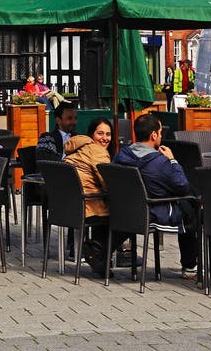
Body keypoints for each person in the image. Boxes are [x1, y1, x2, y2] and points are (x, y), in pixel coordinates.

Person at [114, 112, 198, 278]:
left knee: (192, 198)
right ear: (153, 135)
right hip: (155, 211)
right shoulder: (160, 162)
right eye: (160, 132)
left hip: (127, 211)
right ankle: (189, 266)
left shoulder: (121, 155)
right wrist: (173, 160)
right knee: (190, 207)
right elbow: (182, 185)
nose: (161, 136)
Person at [64, 118, 127, 276]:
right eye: (100, 133)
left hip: (68, 207)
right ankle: (96, 249)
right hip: (87, 205)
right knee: (128, 215)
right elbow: (108, 182)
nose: (105, 138)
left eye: (108, 134)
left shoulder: (77, 148)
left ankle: (98, 254)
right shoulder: (97, 151)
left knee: (109, 204)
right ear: (91, 134)